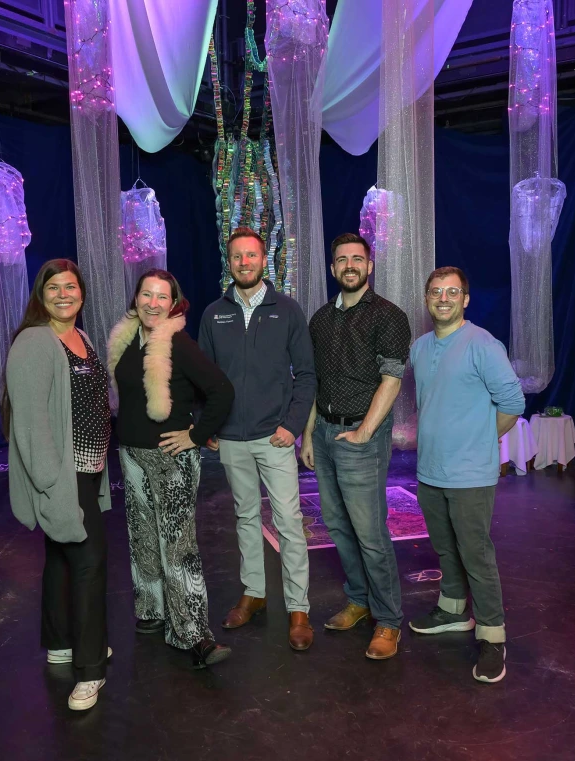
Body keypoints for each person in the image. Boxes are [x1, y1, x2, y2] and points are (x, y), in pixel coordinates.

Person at [106, 270, 236, 669]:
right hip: (131, 454)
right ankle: (152, 610)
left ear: (173, 303)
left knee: (177, 547)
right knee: (142, 537)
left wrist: (197, 435)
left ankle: (195, 635)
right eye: (147, 295)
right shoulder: (127, 339)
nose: (153, 303)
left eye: (162, 297)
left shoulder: (177, 343)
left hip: (171, 459)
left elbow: (220, 390)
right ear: (136, 298)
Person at [198, 228, 317, 651]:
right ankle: (254, 594)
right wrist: (207, 425)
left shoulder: (286, 310)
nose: (244, 263)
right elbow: (204, 377)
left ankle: (298, 608)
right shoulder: (215, 313)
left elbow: (305, 374)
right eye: (237, 257)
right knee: (245, 518)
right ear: (228, 262)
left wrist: (293, 424)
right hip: (231, 438)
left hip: (275, 437)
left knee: (288, 522)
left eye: (251, 256)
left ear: (264, 259)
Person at [4, 259, 114, 711]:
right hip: (64, 477)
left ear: (82, 294)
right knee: (89, 564)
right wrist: (52, 485)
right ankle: (90, 671)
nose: (64, 294)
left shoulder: (82, 338)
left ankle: (61, 642)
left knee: (62, 558)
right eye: (54, 288)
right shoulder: (34, 342)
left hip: (88, 470)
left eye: (71, 287)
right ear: (41, 294)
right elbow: (30, 426)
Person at [407, 266, 525, 684]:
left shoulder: (482, 343)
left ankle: (493, 637)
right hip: (430, 471)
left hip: (470, 474)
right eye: (436, 291)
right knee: (444, 548)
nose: (443, 298)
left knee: (476, 554)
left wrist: (477, 438)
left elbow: (512, 402)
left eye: (452, 291)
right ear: (427, 299)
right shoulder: (420, 347)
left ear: (466, 299)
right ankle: (453, 610)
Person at [300, 233, 412, 660]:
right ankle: (360, 600)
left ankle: (388, 620)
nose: (349, 265)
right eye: (341, 259)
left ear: (369, 266)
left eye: (357, 259)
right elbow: (314, 382)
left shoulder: (389, 316)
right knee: (339, 527)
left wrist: (365, 431)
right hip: (326, 434)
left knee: (370, 533)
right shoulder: (321, 319)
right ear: (333, 269)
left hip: (361, 437)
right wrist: (309, 434)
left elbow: (392, 378)